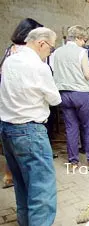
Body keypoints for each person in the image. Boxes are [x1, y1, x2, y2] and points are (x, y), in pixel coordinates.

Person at [0, 27, 61, 225]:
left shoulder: (10, 60)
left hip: (8, 129)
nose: (49, 53)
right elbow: (55, 98)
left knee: (22, 185)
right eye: (51, 48)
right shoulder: (38, 66)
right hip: (30, 131)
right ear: (41, 43)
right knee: (41, 190)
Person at [53, 25, 89, 170]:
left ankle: (73, 162)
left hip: (63, 94)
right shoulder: (81, 52)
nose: (84, 43)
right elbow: (88, 74)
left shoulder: (56, 53)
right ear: (77, 38)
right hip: (82, 94)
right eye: (83, 39)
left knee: (71, 128)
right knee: (88, 126)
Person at [0, 18, 43, 189]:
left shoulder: (9, 50)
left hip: (8, 103)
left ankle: (9, 175)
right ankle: (21, 177)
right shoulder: (28, 54)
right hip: (24, 105)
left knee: (10, 141)